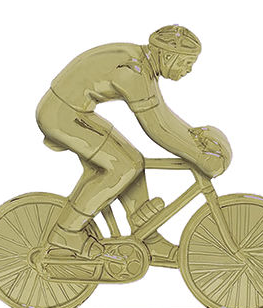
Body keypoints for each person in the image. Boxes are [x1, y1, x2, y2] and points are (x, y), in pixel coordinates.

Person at [36, 25, 231, 265]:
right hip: (61, 116)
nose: (188, 70)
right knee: (124, 166)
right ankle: (66, 232)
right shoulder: (134, 72)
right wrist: (199, 157)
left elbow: (164, 117)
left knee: (134, 161)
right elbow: (156, 128)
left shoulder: (144, 66)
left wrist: (194, 137)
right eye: (186, 63)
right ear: (167, 57)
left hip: (73, 111)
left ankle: (148, 237)